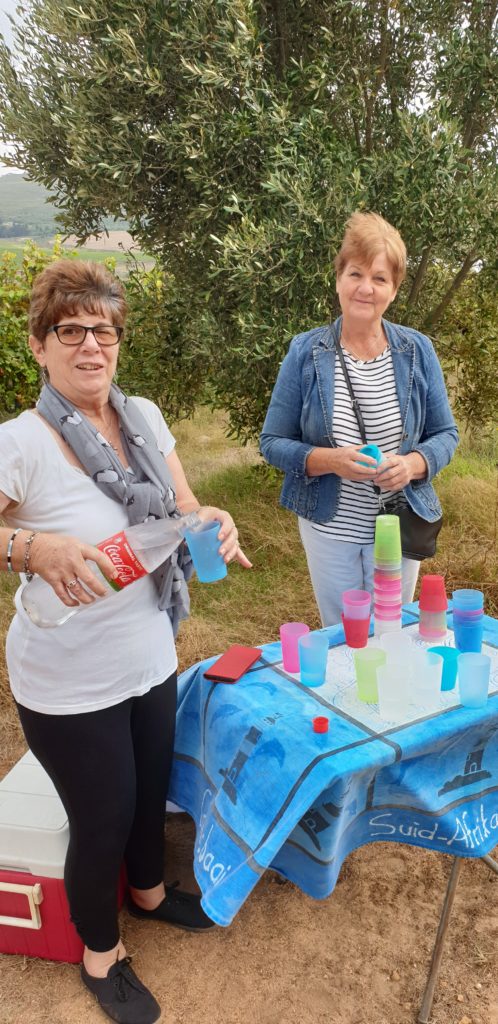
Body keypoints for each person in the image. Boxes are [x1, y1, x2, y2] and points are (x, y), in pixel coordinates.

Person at [0, 260, 251, 1024]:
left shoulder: (141, 415)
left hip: (146, 653)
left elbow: (182, 506)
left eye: (102, 331)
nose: (89, 346)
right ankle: (100, 955)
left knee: (149, 794)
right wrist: (30, 549)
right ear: (40, 347)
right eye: (69, 331)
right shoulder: (23, 440)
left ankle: (147, 893)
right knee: (103, 814)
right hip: (67, 677)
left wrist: (215, 520)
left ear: (118, 343)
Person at [260, 212, 458, 626]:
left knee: (390, 627)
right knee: (343, 635)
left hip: (398, 527)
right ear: (338, 280)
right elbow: (273, 442)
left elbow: (446, 434)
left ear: (394, 290)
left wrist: (411, 465)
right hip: (328, 527)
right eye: (356, 273)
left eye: (380, 278)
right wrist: (330, 460)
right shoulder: (305, 352)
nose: (365, 288)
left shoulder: (417, 351)